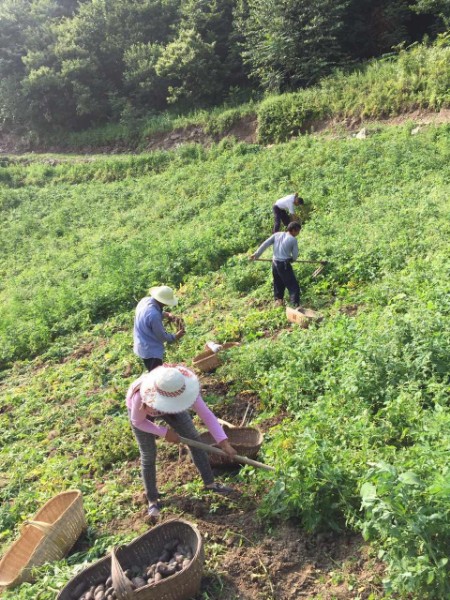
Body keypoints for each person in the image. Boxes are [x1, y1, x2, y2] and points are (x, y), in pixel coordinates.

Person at [126, 363, 237, 519]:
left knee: (193, 437)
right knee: (148, 454)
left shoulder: (185, 390)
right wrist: (163, 432)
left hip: (171, 406)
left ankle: (210, 483)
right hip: (143, 414)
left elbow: (207, 415)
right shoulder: (141, 396)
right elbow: (138, 422)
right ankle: (152, 499)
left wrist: (224, 442)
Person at [250, 221, 302, 307]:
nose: (298, 233)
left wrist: (256, 254)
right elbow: (295, 255)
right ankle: (295, 306)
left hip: (275, 263)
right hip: (284, 265)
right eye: (298, 231)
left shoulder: (277, 234)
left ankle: (278, 302)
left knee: (278, 284)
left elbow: (265, 244)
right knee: (293, 286)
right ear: (293, 230)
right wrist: (292, 259)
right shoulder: (293, 239)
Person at [133, 285, 185, 372]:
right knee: (156, 375)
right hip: (150, 350)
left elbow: (148, 316)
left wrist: (166, 314)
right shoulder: (154, 315)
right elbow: (162, 337)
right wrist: (175, 336)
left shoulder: (145, 301)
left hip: (141, 343)